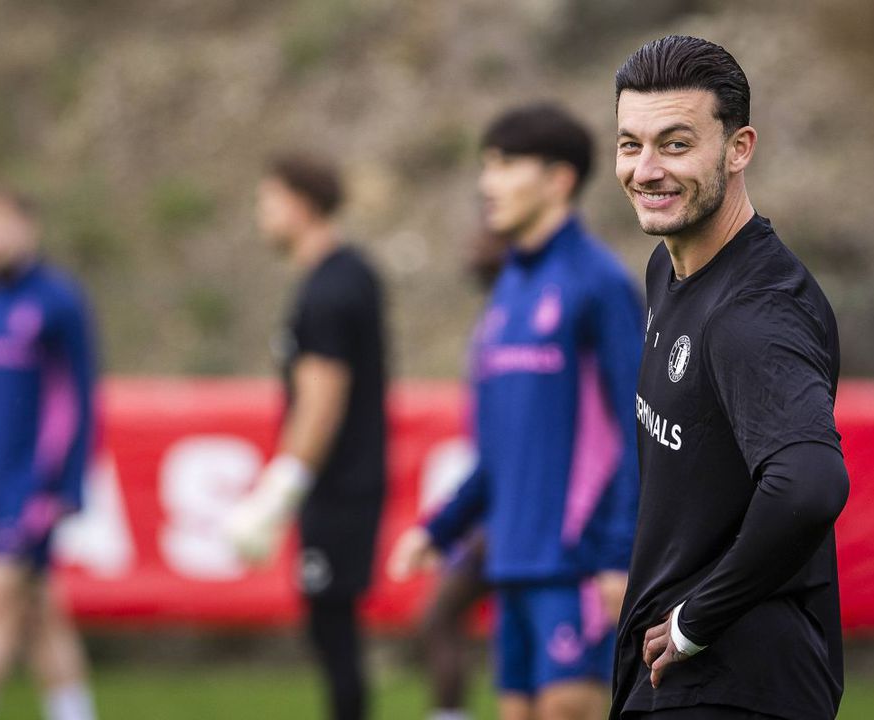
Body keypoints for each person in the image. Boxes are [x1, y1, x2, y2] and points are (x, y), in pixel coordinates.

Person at [609, 36, 850, 719]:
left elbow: (809, 483)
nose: (646, 170)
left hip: (737, 683)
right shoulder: (668, 269)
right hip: (679, 675)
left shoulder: (754, 312)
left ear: (739, 148)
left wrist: (696, 619)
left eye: (676, 144)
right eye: (630, 145)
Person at [389, 104, 643, 720]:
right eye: (486, 167)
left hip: (577, 565)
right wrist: (440, 528)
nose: (487, 184)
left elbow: (642, 428)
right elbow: (500, 450)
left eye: (504, 166)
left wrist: (618, 554)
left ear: (558, 179)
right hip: (512, 562)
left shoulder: (599, 283)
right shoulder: (507, 290)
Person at [225, 155, 387, 720]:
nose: (261, 215)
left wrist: (279, 491)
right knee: (333, 631)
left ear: (301, 204)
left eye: (268, 202)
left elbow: (321, 400)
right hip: (350, 483)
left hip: (338, 488)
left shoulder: (328, 290)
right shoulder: (351, 271)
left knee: (333, 632)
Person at [0, 188, 98, 720]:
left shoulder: (58, 301)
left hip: (36, 484)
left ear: (26, 228)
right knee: (39, 615)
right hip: (0, 482)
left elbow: (77, 400)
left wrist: (62, 486)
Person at [417, 227, 508, 720]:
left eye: (485, 233)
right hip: (495, 506)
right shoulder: (497, 316)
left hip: (514, 513)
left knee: (440, 617)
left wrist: (486, 521)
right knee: (441, 618)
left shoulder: (526, 315)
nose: (470, 242)